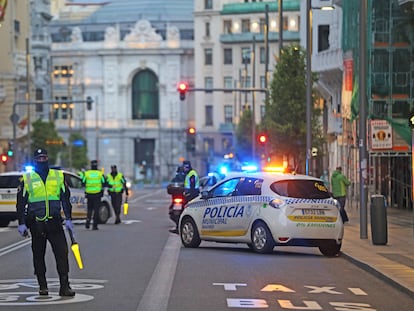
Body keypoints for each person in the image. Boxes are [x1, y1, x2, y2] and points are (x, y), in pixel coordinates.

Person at [16, 148, 75, 297]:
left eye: (44, 158)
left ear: (48, 158)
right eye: (39, 158)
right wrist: (21, 222)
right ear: (35, 160)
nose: (42, 160)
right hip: (37, 224)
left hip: (55, 223)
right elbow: (21, 203)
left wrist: (68, 218)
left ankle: (65, 286)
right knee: (38, 255)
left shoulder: (58, 176)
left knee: (62, 253)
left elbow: (65, 199)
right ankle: (43, 286)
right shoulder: (27, 178)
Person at [169, 160, 200, 234]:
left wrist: (188, 195)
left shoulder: (191, 174)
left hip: (192, 195)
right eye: (184, 167)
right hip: (187, 194)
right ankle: (178, 227)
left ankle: (184, 228)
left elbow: (192, 187)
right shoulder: (186, 174)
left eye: (186, 167)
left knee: (188, 212)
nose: (185, 168)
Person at [82, 160, 106, 230]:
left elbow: (83, 182)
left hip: (89, 194)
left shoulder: (87, 173)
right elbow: (104, 182)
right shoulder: (100, 174)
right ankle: (94, 225)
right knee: (96, 210)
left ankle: (88, 221)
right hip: (97, 194)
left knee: (89, 209)